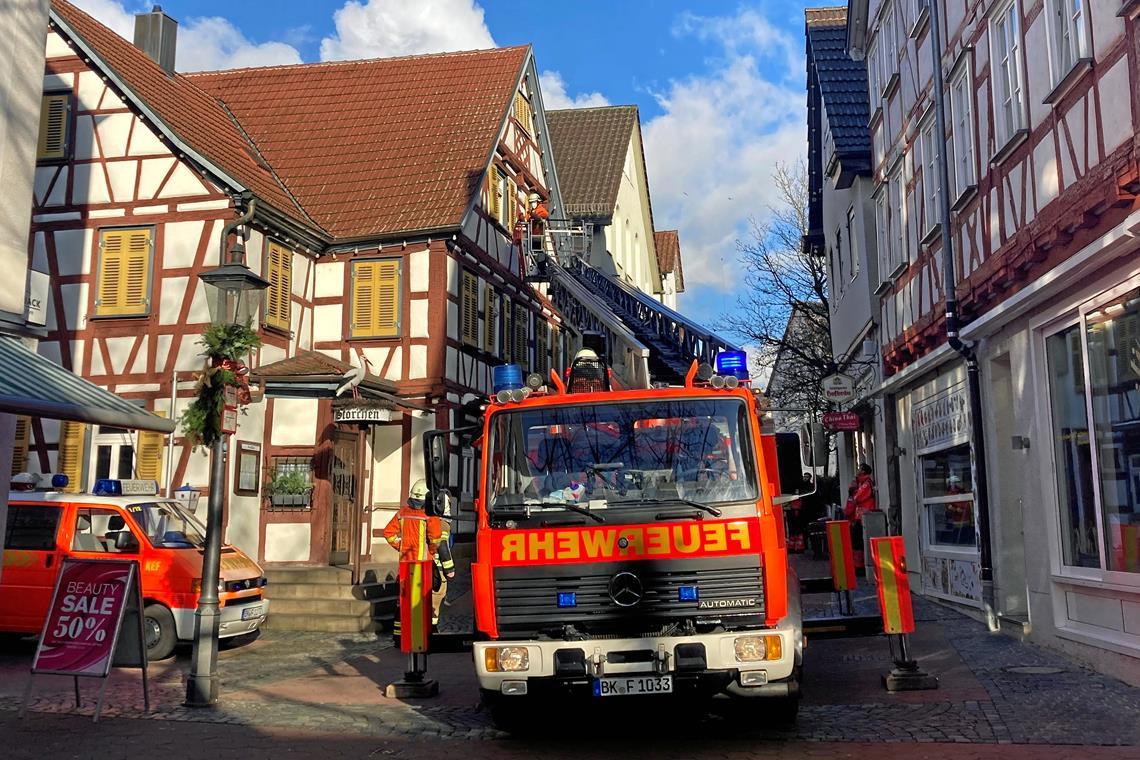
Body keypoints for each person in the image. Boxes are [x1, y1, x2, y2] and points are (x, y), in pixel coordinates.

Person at [384, 479, 455, 628]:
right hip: (423, 565)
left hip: (405, 563)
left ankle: (399, 635)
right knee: (424, 600)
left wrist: (400, 546)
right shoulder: (430, 515)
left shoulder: (402, 513)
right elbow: (435, 539)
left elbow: (388, 533)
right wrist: (431, 552)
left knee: (404, 599)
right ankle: (424, 631)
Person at [844, 463, 877, 570]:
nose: (857, 470)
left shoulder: (866, 483)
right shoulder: (861, 483)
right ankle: (857, 565)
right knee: (857, 541)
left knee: (859, 542)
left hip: (865, 517)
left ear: (863, 471)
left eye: (859, 468)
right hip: (859, 517)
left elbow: (857, 498)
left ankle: (860, 566)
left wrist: (854, 491)